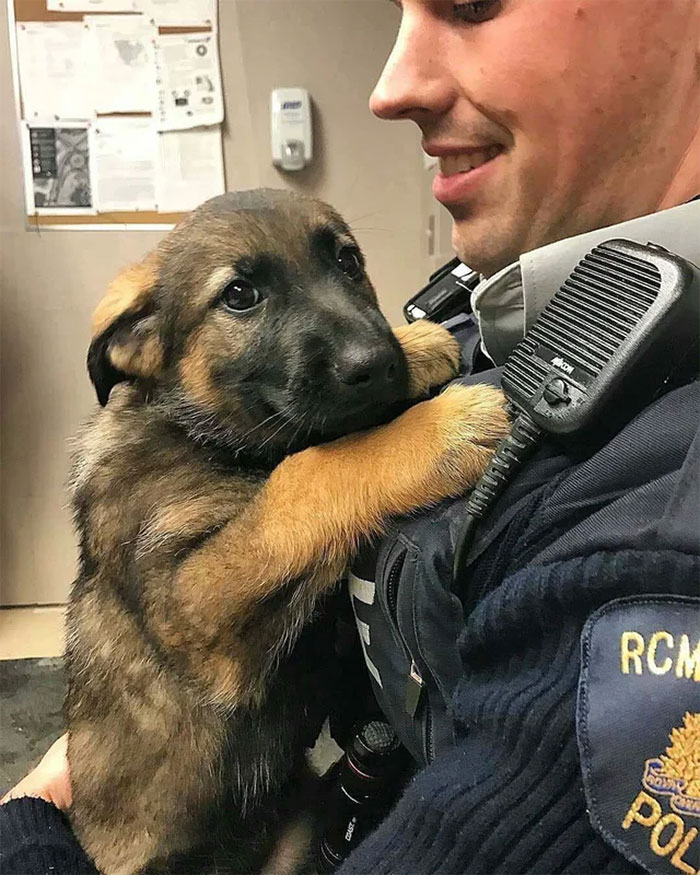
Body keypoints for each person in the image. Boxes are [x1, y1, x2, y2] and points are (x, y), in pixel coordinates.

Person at [2, 1, 699, 873]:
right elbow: (206, 618)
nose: (390, 84)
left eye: (471, 4)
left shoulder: (654, 559)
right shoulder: (514, 300)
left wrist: (25, 829)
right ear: (138, 351)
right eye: (241, 297)